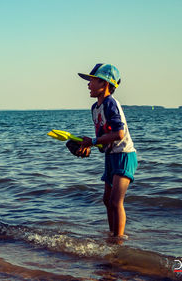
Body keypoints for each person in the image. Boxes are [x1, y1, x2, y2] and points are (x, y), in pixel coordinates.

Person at [75, 64, 138, 239]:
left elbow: (119, 133)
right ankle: (112, 235)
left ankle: (118, 241)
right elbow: (104, 138)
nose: (88, 85)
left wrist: (93, 141)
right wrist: (87, 146)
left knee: (116, 201)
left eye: (92, 81)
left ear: (105, 83)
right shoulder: (95, 108)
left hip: (124, 155)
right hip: (111, 156)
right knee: (107, 200)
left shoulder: (111, 104)